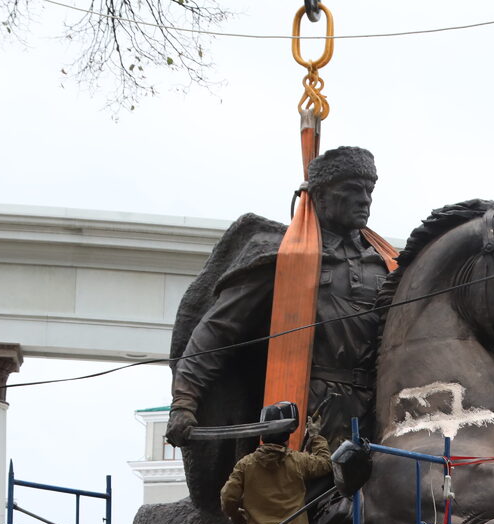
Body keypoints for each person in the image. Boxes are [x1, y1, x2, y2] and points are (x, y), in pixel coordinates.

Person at [166, 145, 391, 462]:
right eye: (352, 189)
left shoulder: (387, 263)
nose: (365, 199)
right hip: (307, 411)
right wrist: (184, 402)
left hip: (379, 413)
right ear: (321, 197)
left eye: (369, 190)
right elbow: (217, 331)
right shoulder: (284, 258)